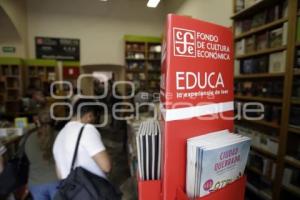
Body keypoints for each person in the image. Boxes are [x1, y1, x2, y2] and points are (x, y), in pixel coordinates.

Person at [53, 98, 111, 182]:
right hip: (92, 190)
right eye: (94, 118)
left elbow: (59, 174)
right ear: (89, 116)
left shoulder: (60, 136)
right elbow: (106, 167)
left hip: (71, 192)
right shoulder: (86, 129)